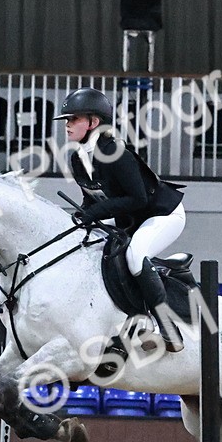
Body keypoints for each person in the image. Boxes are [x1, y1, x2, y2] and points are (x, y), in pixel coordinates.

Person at [54, 87, 187, 352]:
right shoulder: (78, 159)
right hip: (128, 217)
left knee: (135, 256)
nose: (67, 125)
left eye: (73, 119)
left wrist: (94, 214)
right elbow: (93, 198)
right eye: (67, 120)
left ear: (93, 122)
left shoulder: (116, 152)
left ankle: (167, 328)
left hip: (161, 214)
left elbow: (138, 199)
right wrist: (82, 217)